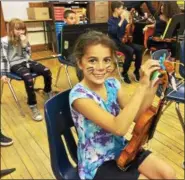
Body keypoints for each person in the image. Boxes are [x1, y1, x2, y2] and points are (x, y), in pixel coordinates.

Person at [69, 30, 176, 180]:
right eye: (92, 60)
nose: (101, 67)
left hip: (122, 150)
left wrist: (151, 85)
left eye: (106, 60)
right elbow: (118, 128)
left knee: (168, 174)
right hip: (97, 162)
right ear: (80, 62)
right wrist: (141, 87)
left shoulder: (112, 84)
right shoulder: (80, 97)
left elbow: (137, 117)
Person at [0, 18, 53, 121]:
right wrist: (3, 74)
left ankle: (47, 91)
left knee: (46, 71)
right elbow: (3, 58)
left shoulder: (23, 38)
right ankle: (33, 105)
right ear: (11, 29)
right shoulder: (4, 41)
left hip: (26, 61)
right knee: (28, 78)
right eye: (17, 29)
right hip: (14, 64)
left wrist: (25, 44)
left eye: (22, 29)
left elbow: (28, 55)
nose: (21, 32)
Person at [108, 1, 143, 84]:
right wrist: (121, 21)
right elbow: (112, 32)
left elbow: (128, 28)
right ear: (116, 9)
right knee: (130, 51)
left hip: (124, 40)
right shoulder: (111, 20)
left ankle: (136, 71)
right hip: (115, 42)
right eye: (121, 8)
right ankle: (124, 73)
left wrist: (130, 19)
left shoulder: (122, 18)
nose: (123, 10)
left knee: (138, 49)